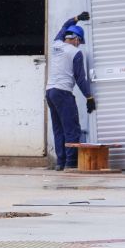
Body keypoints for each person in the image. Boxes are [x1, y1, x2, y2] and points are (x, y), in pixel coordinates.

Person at [45, 11, 96, 171]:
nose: (79, 45)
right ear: (76, 39)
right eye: (79, 42)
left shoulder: (56, 44)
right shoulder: (75, 52)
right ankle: (71, 163)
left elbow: (65, 26)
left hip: (50, 92)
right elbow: (80, 79)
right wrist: (89, 97)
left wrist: (77, 18)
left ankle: (60, 162)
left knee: (58, 128)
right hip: (63, 93)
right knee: (71, 128)